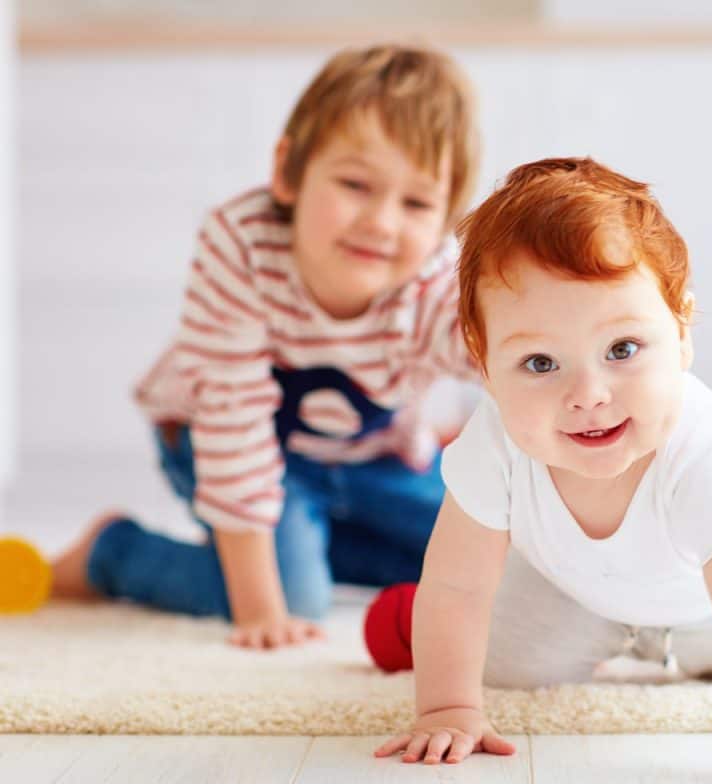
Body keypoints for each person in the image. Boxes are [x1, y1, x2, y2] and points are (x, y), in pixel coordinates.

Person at [374, 157, 712, 784]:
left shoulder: (711, 457)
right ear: (483, 365)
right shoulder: (496, 440)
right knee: (498, 663)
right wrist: (447, 708)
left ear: (681, 332)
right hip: (579, 591)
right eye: (539, 362)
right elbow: (455, 585)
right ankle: (399, 618)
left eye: (622, 350)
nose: (588, 395)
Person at [50, 44, 480, 651]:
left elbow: (498, 356)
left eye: (415, 203)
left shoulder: (436, 279)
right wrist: (259, 607)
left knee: (476, 563)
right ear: (290, 173)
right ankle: (112, 553)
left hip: (368, 454)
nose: (383, 223)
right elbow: (233, 422)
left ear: (444, 221)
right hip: (227, 441)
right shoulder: (243, 248)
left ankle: (313, 537)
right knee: (293, 597)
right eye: (356, 184)